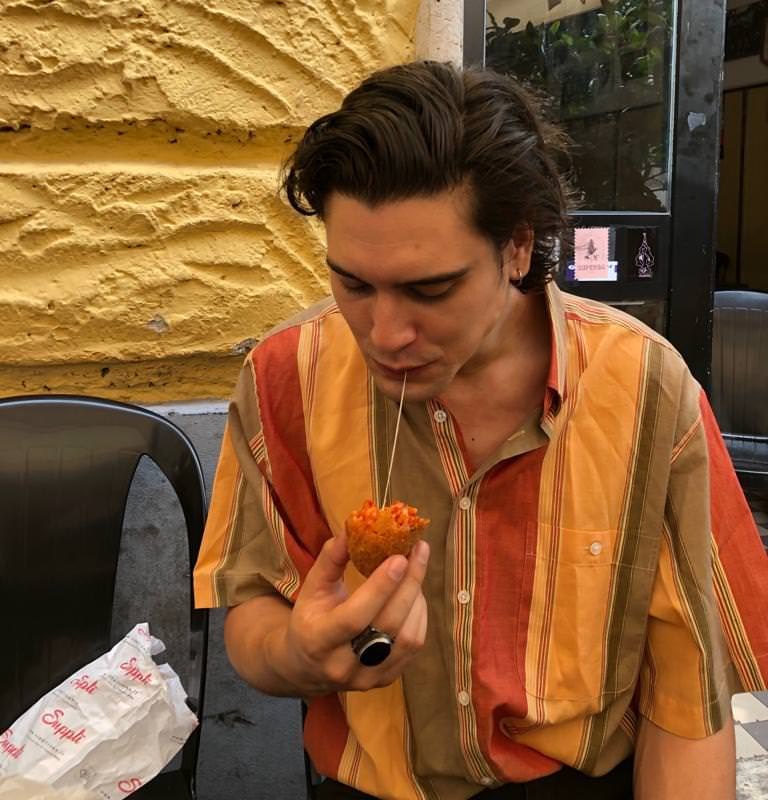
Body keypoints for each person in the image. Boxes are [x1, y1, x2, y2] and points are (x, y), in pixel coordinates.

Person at [193, 61, 768, 800]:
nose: (385, 333)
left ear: (518, 247)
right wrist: (301, 654)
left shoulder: (645, 387)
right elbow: (250, 608)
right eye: (354, 284)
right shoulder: (285, 377)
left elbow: (687, 696)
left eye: (430, 289)